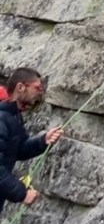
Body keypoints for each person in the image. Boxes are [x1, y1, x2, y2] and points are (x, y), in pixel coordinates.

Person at [0, 67, 63, 215]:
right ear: (20, 87)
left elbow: (18, 149)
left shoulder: (12, 117)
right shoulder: (2, 119)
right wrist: (22, 194)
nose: (40, 94)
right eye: (37, 88)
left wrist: (43, 141)